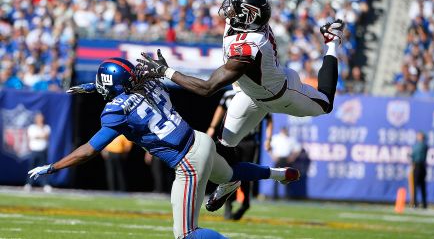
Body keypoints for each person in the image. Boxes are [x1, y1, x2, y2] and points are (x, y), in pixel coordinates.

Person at [136, 0, 343, 212]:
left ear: (248, 17)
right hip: (249, 94)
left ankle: (332, 42)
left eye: (235, 9)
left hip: (281, 96)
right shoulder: (243, 22)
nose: (229, 9)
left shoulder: (249, 48)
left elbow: (207, 88)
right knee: (222, 146)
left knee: (326, 104)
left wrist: (166, 72)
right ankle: (230, 183)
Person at [28, 58, 300, 239]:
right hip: (199, 139)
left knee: (186, 234)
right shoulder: (151, 82)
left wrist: (53, 166)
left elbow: (89, 150)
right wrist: (93, 87)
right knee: (229, 175)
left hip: (187, 161)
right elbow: (128, 82)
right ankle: (277, 173)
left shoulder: (115, 111)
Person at [207, 89, 273, 220]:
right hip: (231, 141)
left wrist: (268, 138)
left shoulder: (257, 93)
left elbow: (269, 118)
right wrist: (212, 127)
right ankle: (228, 204)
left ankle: (245, 203)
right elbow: (220, 110)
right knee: (228, 172)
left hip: (249, 141)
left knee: (245, 175)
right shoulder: (229, 95)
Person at [269, 127, 302, 199]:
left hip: (286, 159)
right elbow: (268, 146)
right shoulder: (276, 138)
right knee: (275, 176)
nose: (284, 132)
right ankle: (274, 196)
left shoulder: (290, 139)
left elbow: (298, 149)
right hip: (278, 159)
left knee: (288, 177)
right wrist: (272, 155)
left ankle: (287, 196)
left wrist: (292, 157)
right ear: (281, 131)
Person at [25, 113, 52, 192]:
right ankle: (28, 184)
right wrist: (40, 135)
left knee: (44, 168)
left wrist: (40, 133)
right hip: (34, 151)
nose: (40, 120)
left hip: (43, 151)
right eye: (39, 118)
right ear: (36, 119)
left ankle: (45, 184)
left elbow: (46, 136)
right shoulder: (32, 127)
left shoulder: (46, 127)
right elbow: (32, 136)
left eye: (41, 118)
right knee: (31, 168)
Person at [411, 131, 428, 209]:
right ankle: (416, 203)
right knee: (417, 186)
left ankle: (422, 203)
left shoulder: (422, 145)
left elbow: (414, 154)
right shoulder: (419, 145)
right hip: (418, 166)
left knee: (421, 186)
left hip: (420, 166)